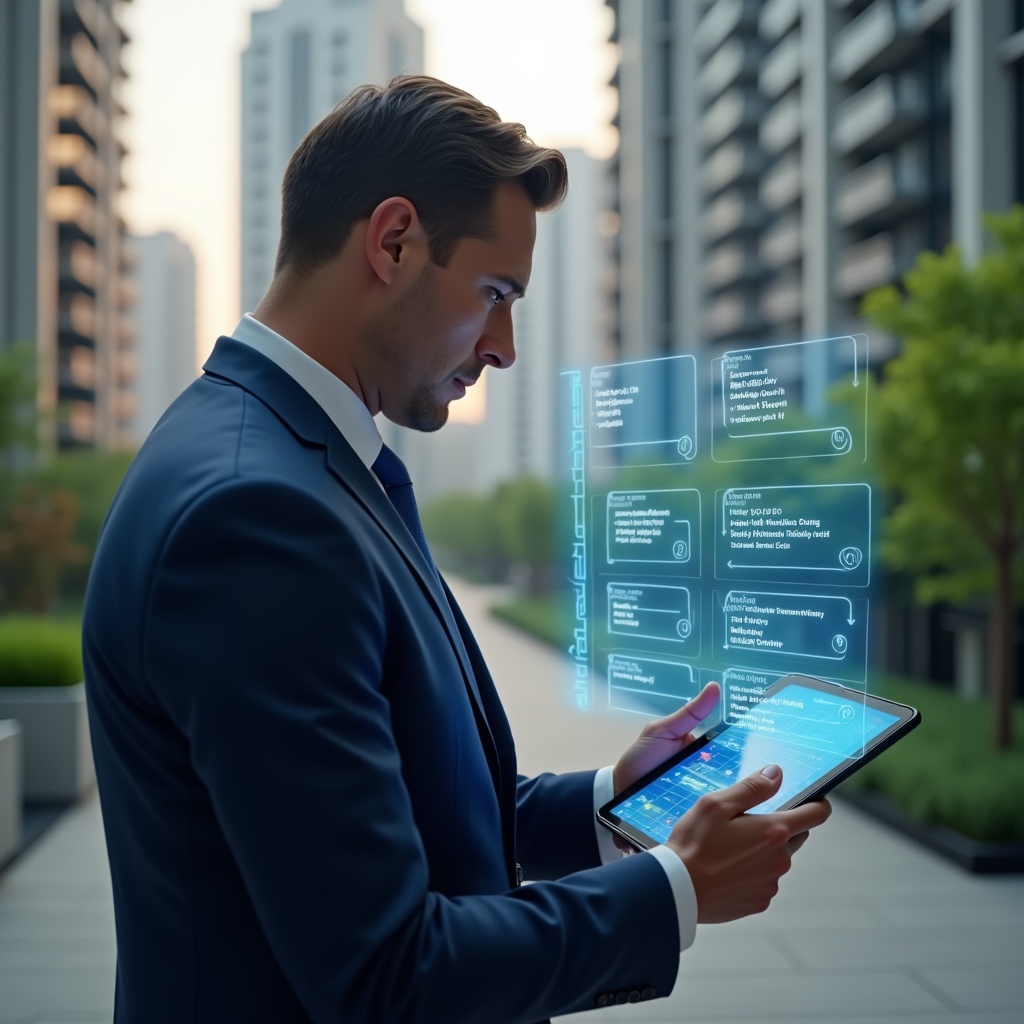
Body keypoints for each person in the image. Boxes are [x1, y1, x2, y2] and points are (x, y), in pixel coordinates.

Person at [82, 75, 830, 1023]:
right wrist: (675, 890)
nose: (505, 345)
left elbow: (392, 810)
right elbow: (388, 976)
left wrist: (615, 797)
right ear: (394, 241)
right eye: (495, 293)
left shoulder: (293, 462)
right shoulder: (257, 517)